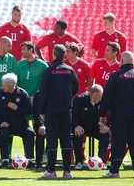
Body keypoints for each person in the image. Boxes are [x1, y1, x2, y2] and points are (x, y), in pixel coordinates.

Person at [100, 51, 134, 178]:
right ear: (133, 62)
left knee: (118, 142)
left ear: (121, 61)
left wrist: (103, 113)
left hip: (119, 115)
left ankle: (114, 171)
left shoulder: (116, 76)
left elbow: (107, 96)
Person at [40, 44, 79, 178]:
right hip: (67, 109)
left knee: (52, 139)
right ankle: (67, 171)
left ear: (53, 55)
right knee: (66, 138)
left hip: (52, 109)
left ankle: (51, 171)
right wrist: (66, 96)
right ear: (64, 55)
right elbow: (76, 87)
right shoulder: (70, 70)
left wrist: (42, 110)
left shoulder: (48, 71)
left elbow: (43, 93)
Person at [0, 73, 34, 168]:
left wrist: (17, 108)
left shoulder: (22, 93)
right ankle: (5, 159)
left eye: (4, 85)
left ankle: (29, 160)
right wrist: (0, 122)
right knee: (3, 133)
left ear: (12, 86)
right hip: (5, 124)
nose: (2, 87)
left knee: (30, 133)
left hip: (20, 124)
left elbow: (29, 110)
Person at [72, 84, 110, 170]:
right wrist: (77, 125)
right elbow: (72, 115)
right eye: (96, 98)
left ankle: (102, 161)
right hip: (82, 126)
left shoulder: (105, 100)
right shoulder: (79, 99)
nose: (98, 100)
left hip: (96, 126)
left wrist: (107, 126)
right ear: (90, 94)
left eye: (100, 97)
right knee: (76, 134)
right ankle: (79, 161)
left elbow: (112, 114)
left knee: (106, 133)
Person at [33, 91, 46, 169]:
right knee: (40, 132)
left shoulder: (59, 92)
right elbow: (36, 113)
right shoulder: (38, 94)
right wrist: (42, 125)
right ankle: (39, 162)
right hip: (43, 123)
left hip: (56, 123)